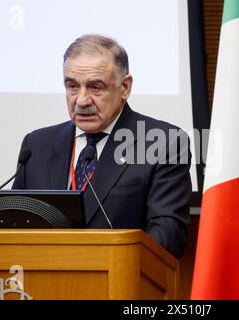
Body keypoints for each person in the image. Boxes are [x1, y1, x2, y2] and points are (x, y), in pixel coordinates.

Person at [12, 34, 191, 259]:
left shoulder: (162, 142)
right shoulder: (37, 145)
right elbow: (14, 228)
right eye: (72, 86)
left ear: (125, 87)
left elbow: (168, 237)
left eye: (95, 87)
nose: (82, 100)